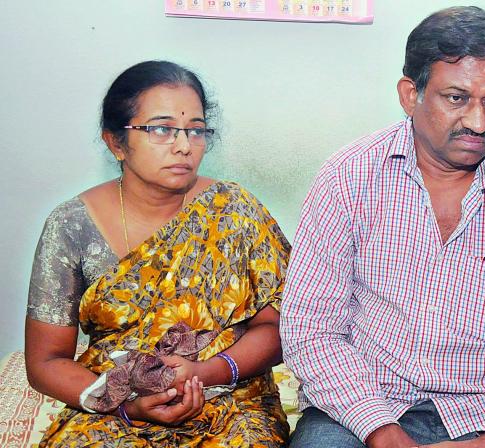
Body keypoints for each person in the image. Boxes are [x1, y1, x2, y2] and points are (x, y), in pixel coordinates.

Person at [280, 6, 485, 448]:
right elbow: (311, 329)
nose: (479, 122)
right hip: (371, 406)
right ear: (411, 95)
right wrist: (383, 433)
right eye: (457, 98)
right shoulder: (348, 177)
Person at [25, 60, 290, 447]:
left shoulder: (235, 210)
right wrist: (125, 406)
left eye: (196, 131)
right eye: (162, 129)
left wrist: (208, 371)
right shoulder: (71, 226)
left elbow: (280, 325)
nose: (184, 146)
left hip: (230, 399)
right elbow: (45, 361)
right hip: (114, 403)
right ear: (116, 141)